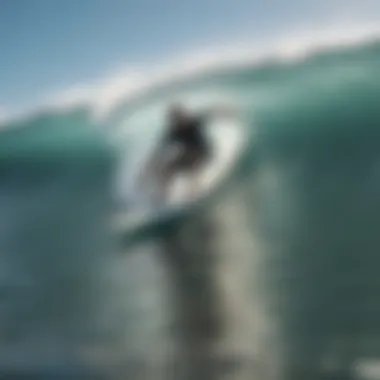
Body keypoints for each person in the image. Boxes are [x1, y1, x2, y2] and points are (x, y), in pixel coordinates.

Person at [141, 102, 235, 204]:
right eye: (174, 119)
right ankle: (160, 197)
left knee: (191, 163)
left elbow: (212, 113)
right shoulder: (174, 132)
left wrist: (228, 112)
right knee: (168, 168)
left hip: (204, 152)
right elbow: (160, 150)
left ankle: (196, 193)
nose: (177, 121)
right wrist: (148, 169)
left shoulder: (193, 121)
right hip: (188, 155)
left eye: (179, 117)